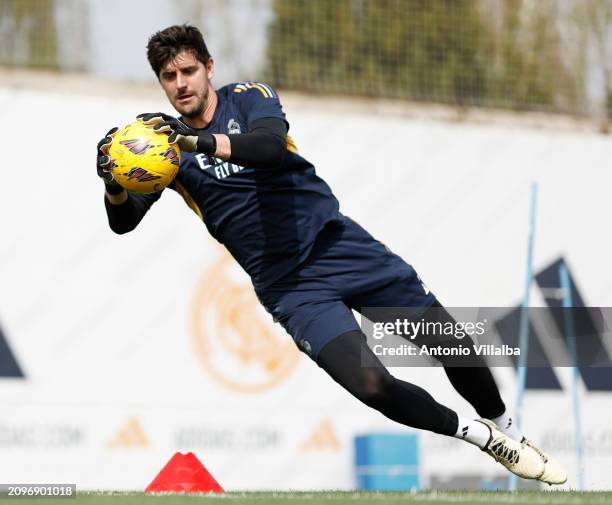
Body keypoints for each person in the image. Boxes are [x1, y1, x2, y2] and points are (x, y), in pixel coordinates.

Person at [96, 24, 565, 485]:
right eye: (168, 77)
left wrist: (193, 141)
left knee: (449, 344)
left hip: (339, 246)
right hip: (292, 290)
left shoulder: (248, 97)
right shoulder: (161, 146)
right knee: (372, 386)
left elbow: (268, 148)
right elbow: (123, 222)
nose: (180, 84)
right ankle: (483, 438)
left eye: (189, 71)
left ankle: (509, 429)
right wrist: (114, 183)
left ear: (209, 68)